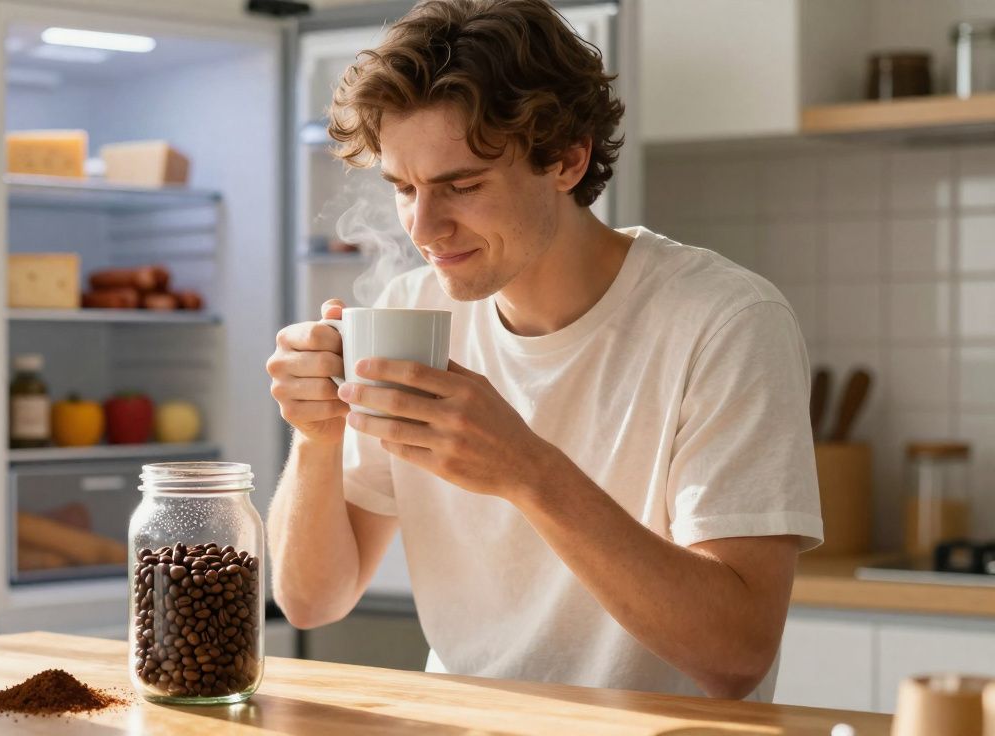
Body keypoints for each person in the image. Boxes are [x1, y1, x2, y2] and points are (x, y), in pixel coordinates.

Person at [264, 0, 821, 701]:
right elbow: (312, 601)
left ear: (566, 159)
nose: (424, 228)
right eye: (404, 188)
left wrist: (527, 472)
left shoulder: (725, 322)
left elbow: (736, 654)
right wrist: (316, 436)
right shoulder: (413, 312)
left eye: (462, 185)